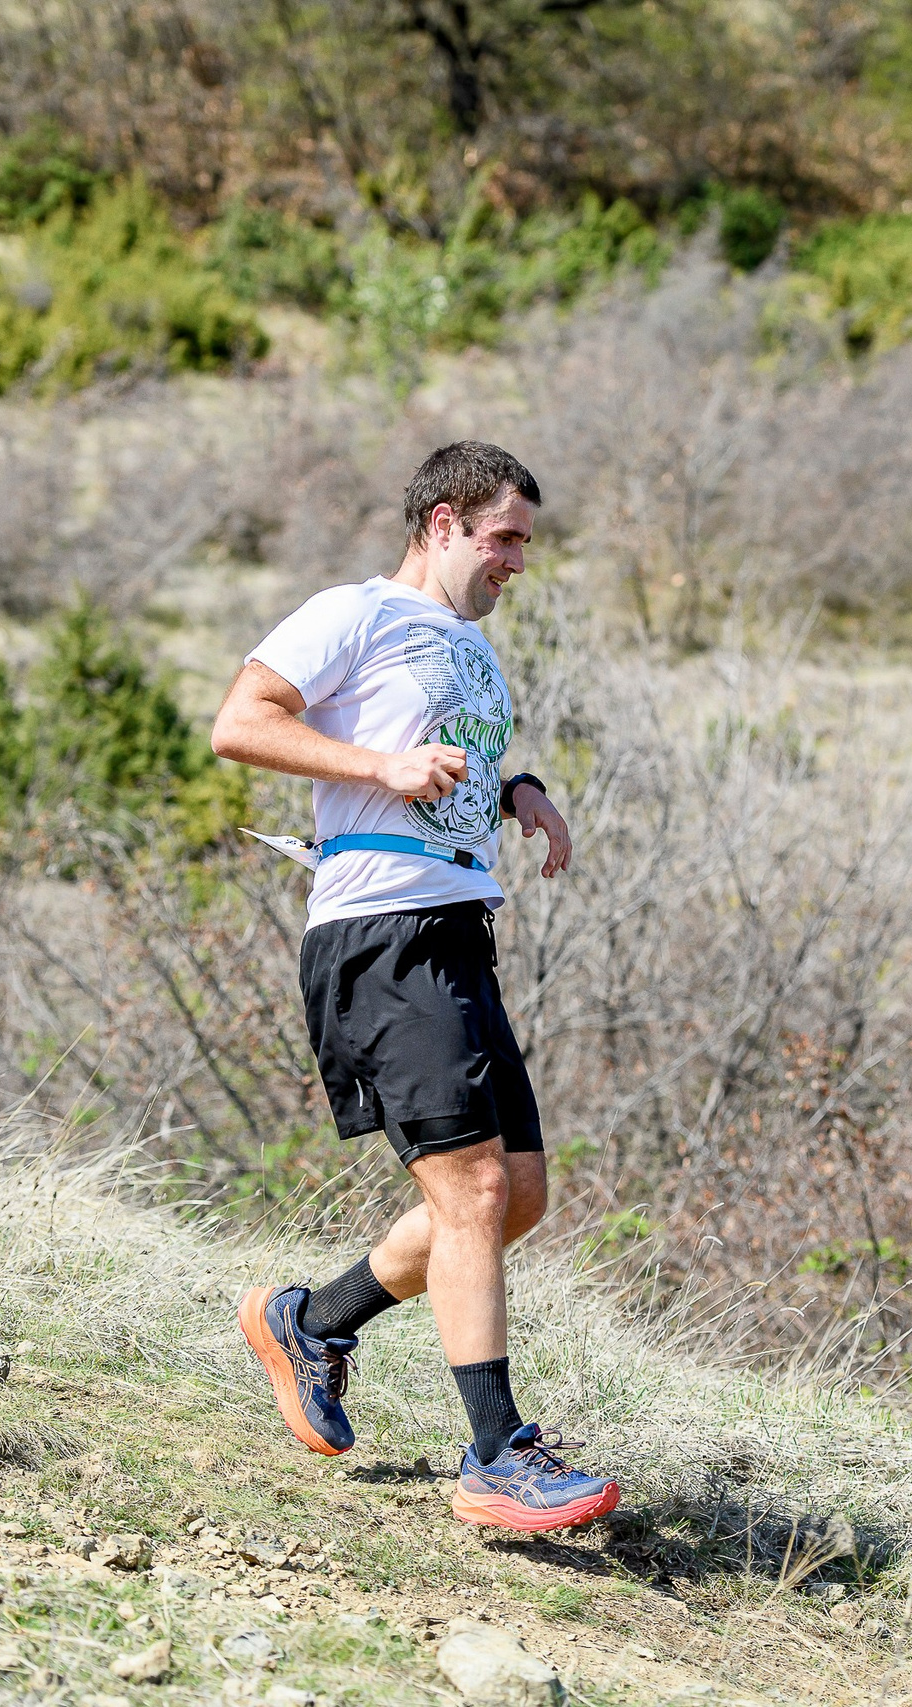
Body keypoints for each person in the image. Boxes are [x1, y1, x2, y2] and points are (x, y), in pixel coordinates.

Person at [211, 440, 619, 1533]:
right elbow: (240, 722)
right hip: (376, 933)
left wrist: (517, 789)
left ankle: (312, 1322)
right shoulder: (353, 613)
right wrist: (377, 770)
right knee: (473, 1194)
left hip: (453, 931)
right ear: (442, 524)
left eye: (524, 543)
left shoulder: (472, 652)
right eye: (504, 538)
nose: (517, 562)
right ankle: (496, 1455)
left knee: (513, 1197)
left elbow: (443, 763)